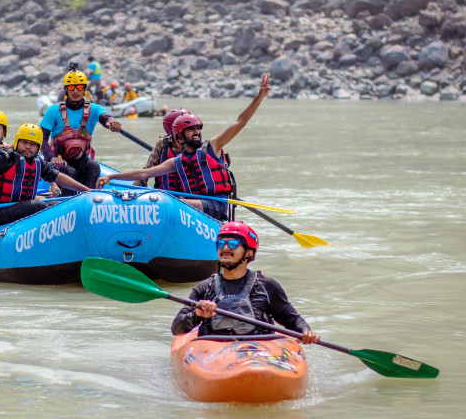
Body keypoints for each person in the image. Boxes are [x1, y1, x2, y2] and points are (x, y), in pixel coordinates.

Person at [97, 73, 271, 221]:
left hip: (216, 206)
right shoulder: (176, 161)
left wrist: (259, 97)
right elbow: (144, 174)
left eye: (198, 129)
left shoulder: (213, 147)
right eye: (191, 130)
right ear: (179, 135)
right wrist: (111, 177)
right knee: (164, 199)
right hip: (193, 204)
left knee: (170, 202)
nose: (196, 133)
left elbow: (240, 122)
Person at [172, 221, 320, 343]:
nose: (225, 248)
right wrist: (197, 314)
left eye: (233, 244)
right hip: (214, 355)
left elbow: (292, 319)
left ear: (248, 253)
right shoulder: (205, 288)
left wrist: (305, 331)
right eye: (221, 243)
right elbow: (177, 329)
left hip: (257, 355)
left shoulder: (267, 286)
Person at [0, 123, 90, 228]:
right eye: (24, 142)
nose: (28, 147)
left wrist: (86, 190)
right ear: (17, 142)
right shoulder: (3, 157)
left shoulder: (38, 162)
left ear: (38, 147)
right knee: (39, 206)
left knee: (58, 205)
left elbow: (57, 176)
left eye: (33, 144)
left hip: (21, 207)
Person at [39, 67, 122, 195]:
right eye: (71, 88)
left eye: (79, 87)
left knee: (94, 166)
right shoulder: (54, 111)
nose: (76, 91)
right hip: (59, 162)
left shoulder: (93, 109)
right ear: (66, 90)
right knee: (69, 171)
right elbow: (41, 139)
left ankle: (89, 199)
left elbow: (105, 117)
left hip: (82, 160)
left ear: (84, 89)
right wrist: (52, 158)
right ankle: (67, 201)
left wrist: (111, 123)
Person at [134, 108, 188, 188]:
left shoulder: (196, 144)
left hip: (188, 196)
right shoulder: (162, 143)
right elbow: (147, 169)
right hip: (164, 194)